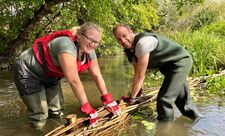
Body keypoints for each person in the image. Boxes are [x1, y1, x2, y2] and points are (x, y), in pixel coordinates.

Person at [13, 22, 121, 129]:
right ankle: (38, 131)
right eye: (91, 40)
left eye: (97, 42)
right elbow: (73, 80)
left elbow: (97, 75)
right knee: (40, 114)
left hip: (50, 75)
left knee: (57, 110)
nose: (93, 44)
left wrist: (107, 98)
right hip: (28, 72)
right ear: (79, 35)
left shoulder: (89, 50)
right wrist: (87, 107)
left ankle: (56, 129)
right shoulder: (65, 45)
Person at [113, 23, 202, 121]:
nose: (123, 41)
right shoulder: (130, 50)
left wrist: (132, 99)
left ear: (130, 32)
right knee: (181, 99)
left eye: (124, 36)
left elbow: (139, 76)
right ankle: (198, 120)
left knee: (164, 100)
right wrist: (138, 93)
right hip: (168, 67)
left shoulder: (143, 43)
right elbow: (138, 71)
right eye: (119, 39)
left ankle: (165, 129)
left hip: (180, 62)